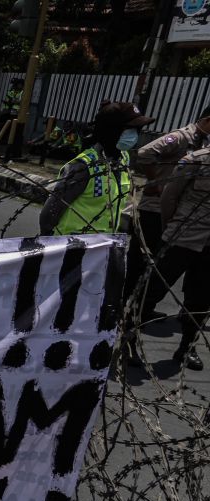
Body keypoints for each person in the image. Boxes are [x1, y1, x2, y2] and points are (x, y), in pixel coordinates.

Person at [131, 106, 210, 322]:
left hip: (176, 212)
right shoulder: (180, 137)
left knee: (159, 266)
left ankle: (144, 310)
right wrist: (156, 183)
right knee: (145, 263)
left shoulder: (202, 144)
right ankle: (131, 311)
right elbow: (145, 153)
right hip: (156, 208)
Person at [39, 101, 153, 237]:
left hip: (103, 246)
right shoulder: (84, 166)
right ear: (112, 130)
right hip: (71, 245)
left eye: (137, 130)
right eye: (129, 130)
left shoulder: (123, 159)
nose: (134, 135)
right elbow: (50, 212)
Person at [157, 145, 210, 370]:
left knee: (200, 300)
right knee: (154, 289)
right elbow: (169, 197)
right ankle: (128, 339)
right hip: (182, 237)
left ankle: (187, 348)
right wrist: (171, 229)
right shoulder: (197, 160)